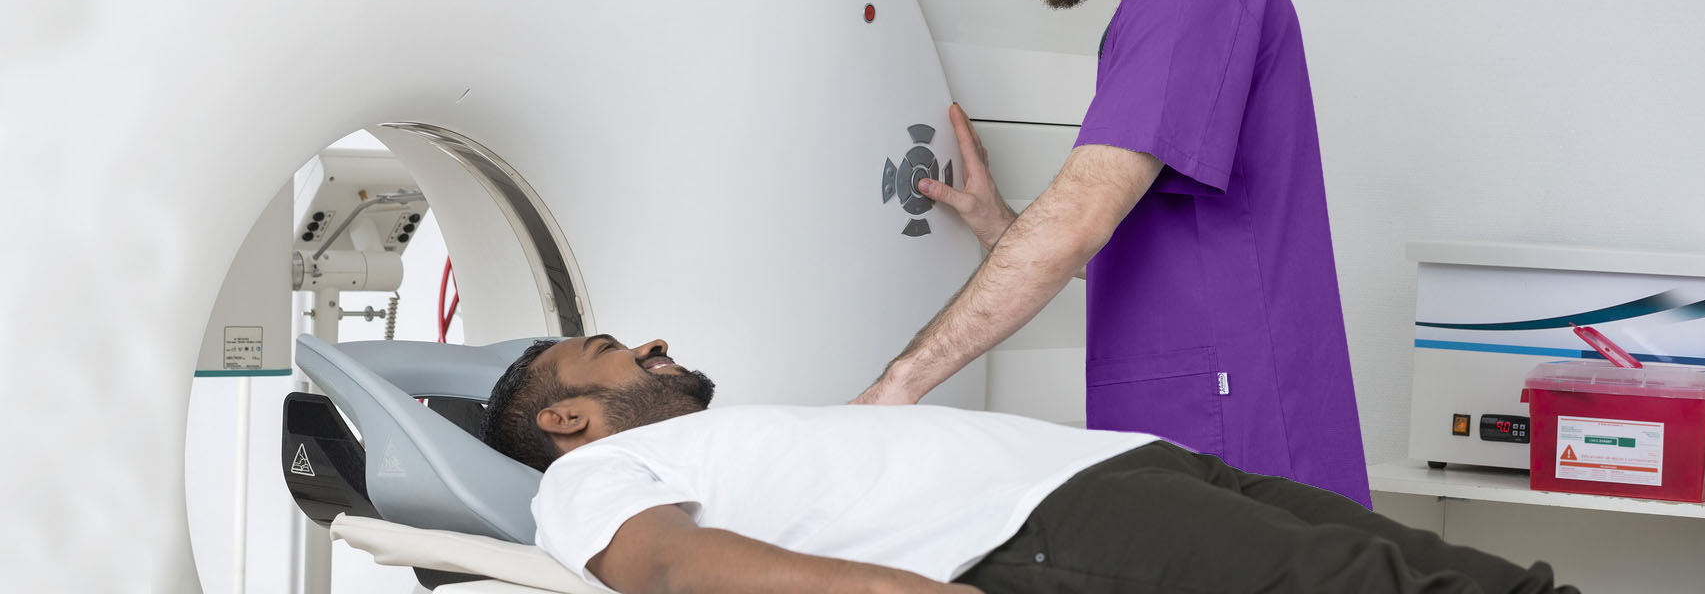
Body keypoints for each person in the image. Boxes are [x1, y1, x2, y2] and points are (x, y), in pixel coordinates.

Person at [850, 0, 1371, 507]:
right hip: (1195, 430)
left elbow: (1079, 216)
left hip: (1235, 439)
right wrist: (1000, 226)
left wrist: (900, 383)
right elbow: (1167, 257)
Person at [480, 335, 1579, 594]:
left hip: (1125, 465)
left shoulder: (716, 431)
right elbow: (670, 564)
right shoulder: (579, 482)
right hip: (1033, 530)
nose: (656, 343)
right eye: (621, 348)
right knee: (1353, 581)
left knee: (1428, 560)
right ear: (569, 415)